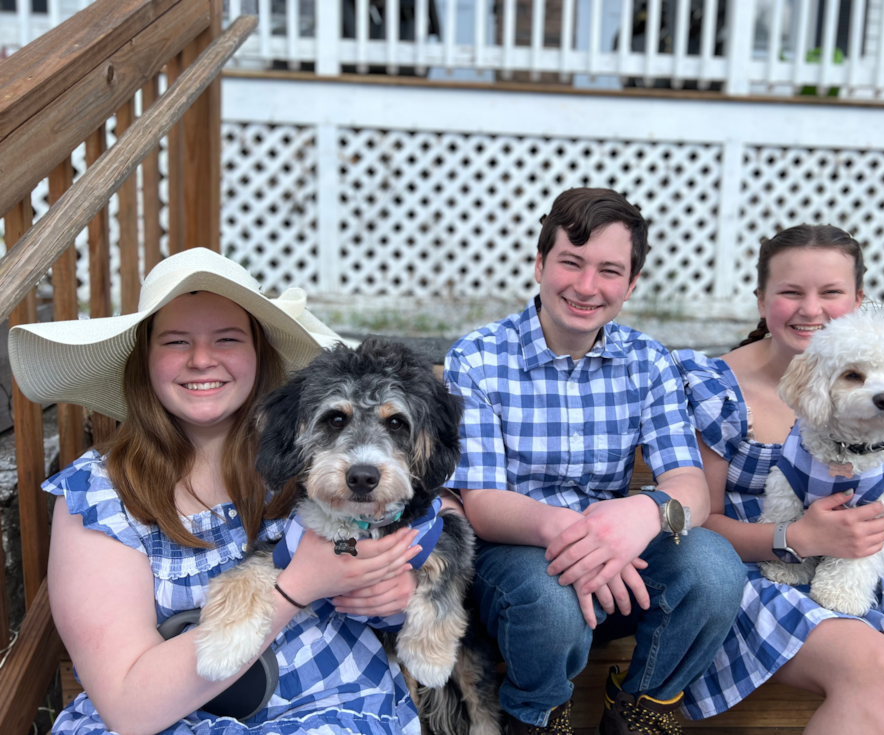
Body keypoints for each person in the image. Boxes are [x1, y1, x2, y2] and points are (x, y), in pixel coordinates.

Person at [11, 248, 431, 735]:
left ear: (258, 353)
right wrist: (296, 587)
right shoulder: (100, 495)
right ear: (144, 360)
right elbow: (128, 708)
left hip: (332, 707)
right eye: (176, 342)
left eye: (227, 339)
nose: (201, 360)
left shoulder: (316, 455)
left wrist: (404, 591)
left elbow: (427, 509)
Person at [442, 188, 746, 735]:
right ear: (540, 265)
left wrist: (644, 515)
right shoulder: (478, 357)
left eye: (609, 271)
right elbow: (483, 504)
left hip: (622, 566)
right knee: (549, 599)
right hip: (516, 566)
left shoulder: (647, 361)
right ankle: (537, 715)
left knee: (715, 567)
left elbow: (691, 488)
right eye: (571, 262)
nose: (586, 286)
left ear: (631, 285)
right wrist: (587, 537)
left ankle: (641, 709)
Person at [672, 225, 884, 734]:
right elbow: (699, 525)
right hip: (748, 574)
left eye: (831, 292)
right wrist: (799, 536)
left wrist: (859, 523)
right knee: (879, 675)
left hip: (856, 563)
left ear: (858, 300)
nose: (810, 309)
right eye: (791, 292)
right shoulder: (716, 388)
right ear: (761, 299)